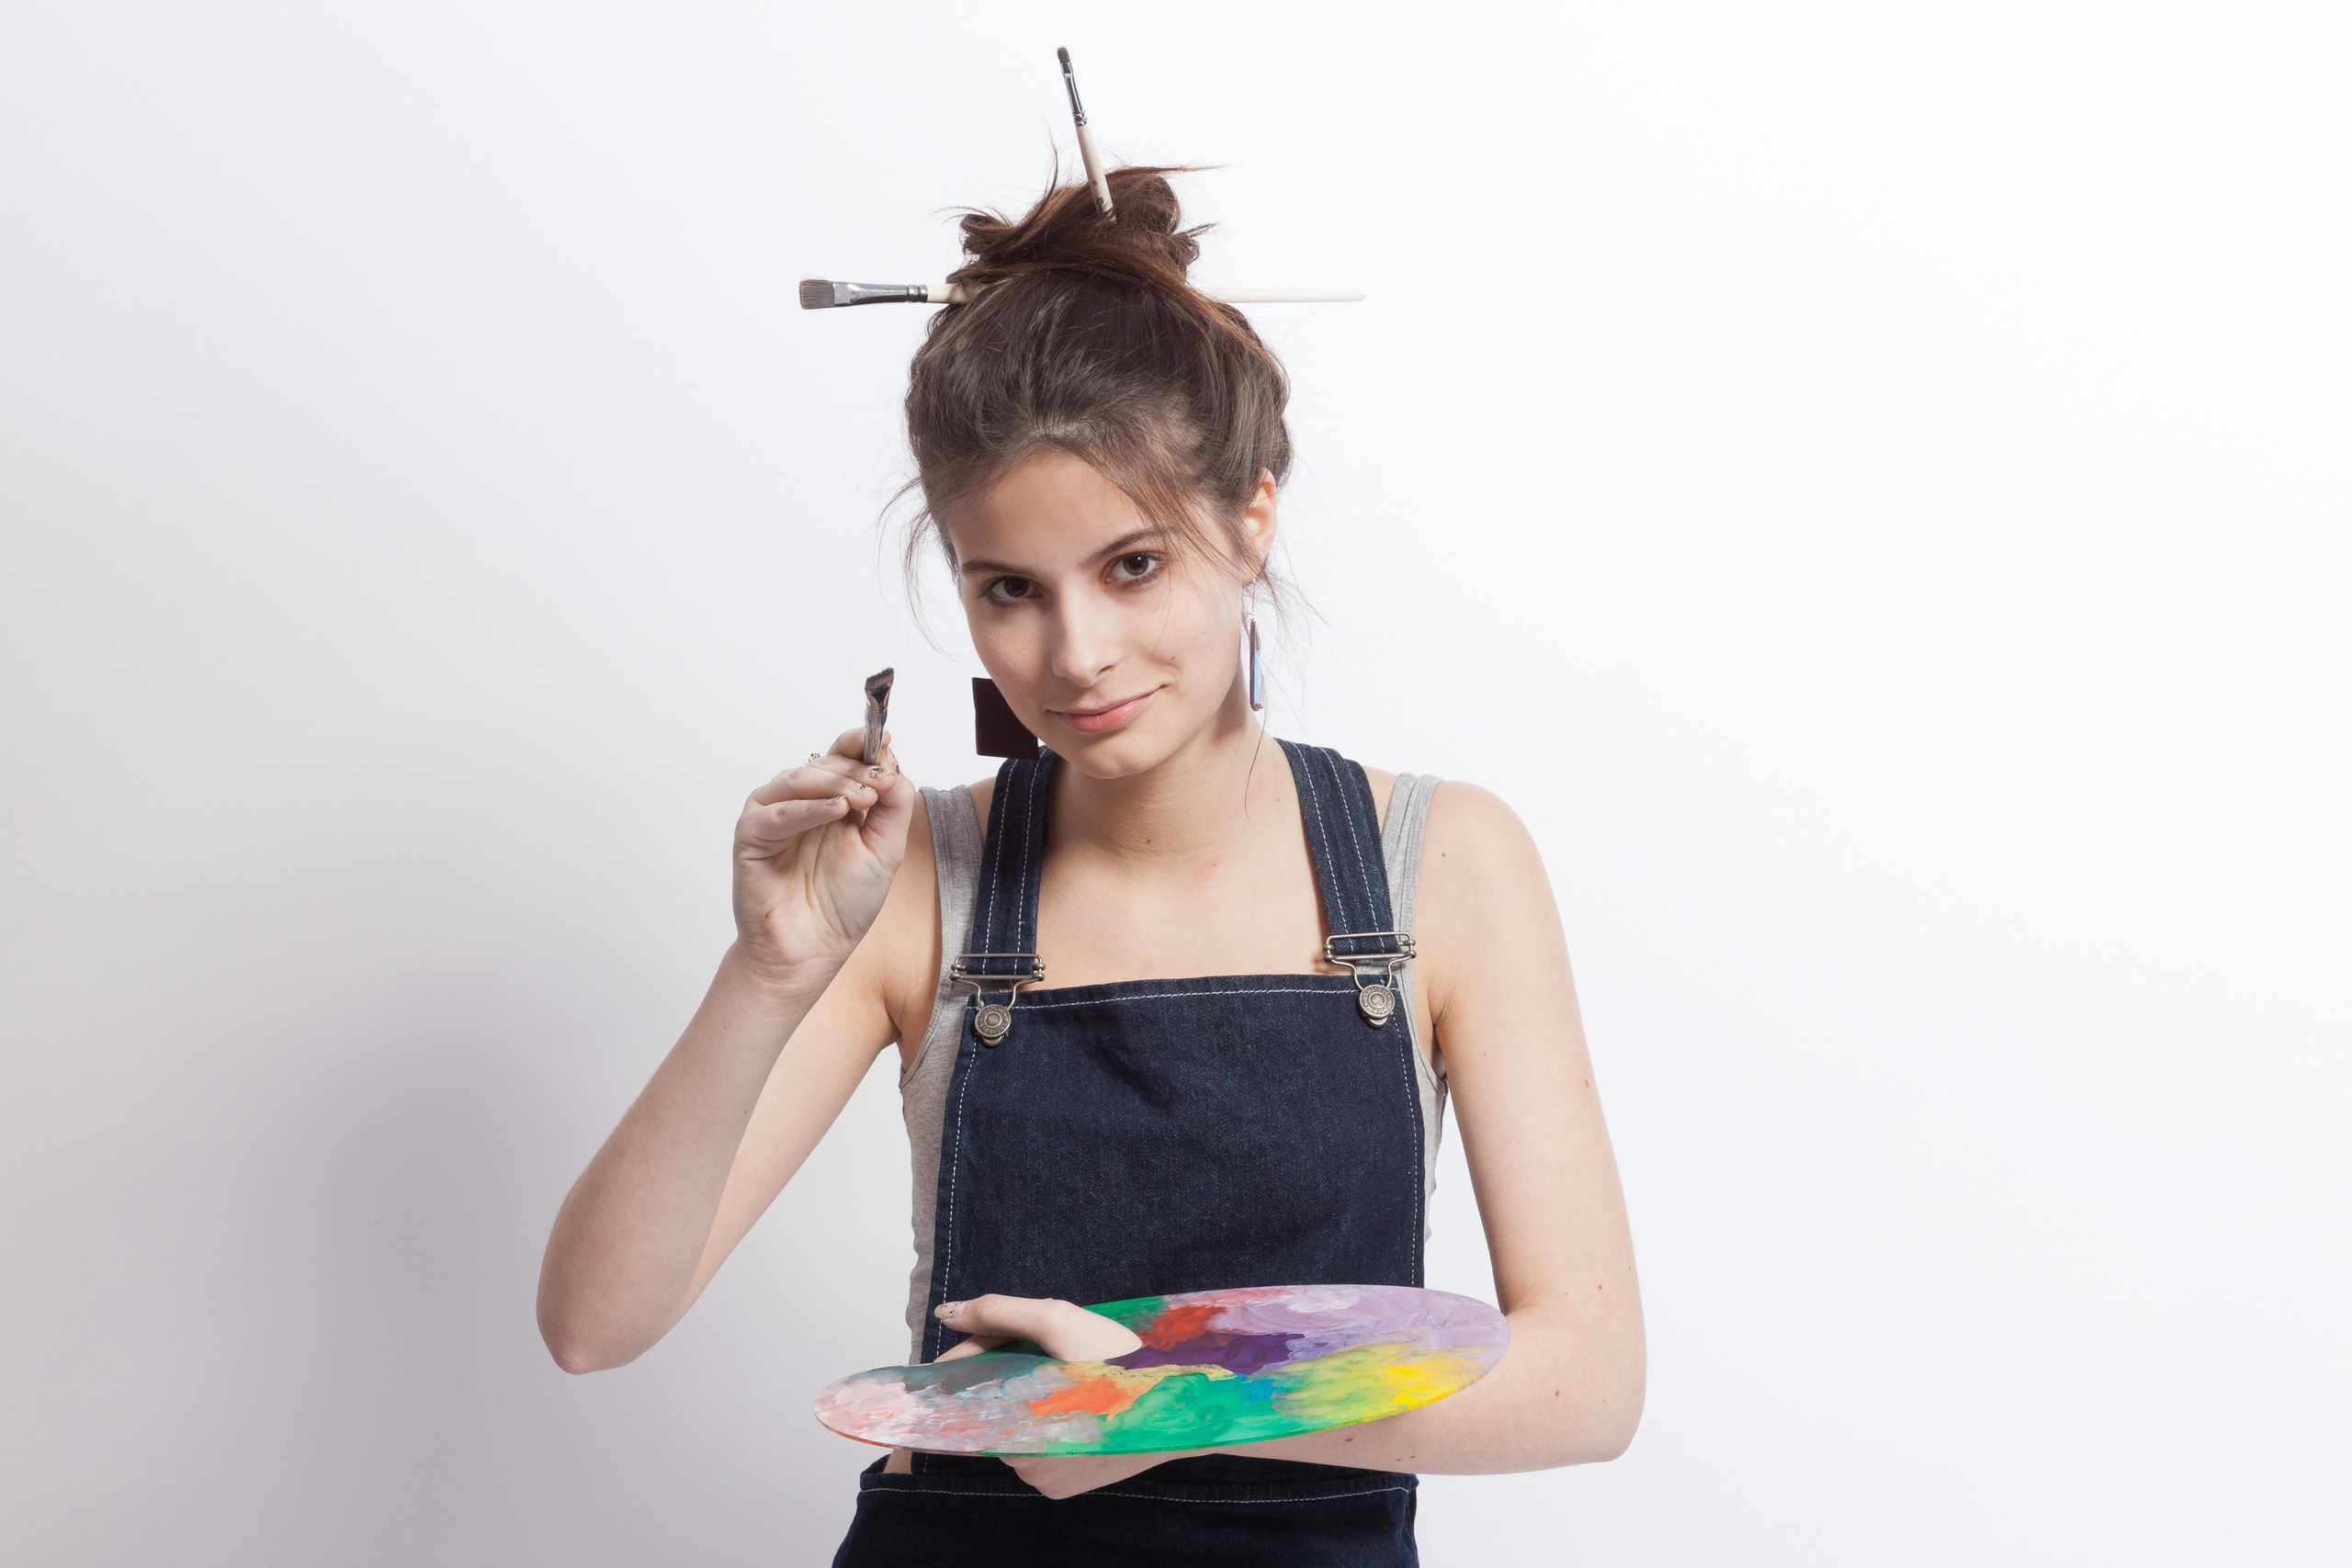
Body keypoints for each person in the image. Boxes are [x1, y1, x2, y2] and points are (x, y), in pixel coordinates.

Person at [537, 165, 1644, 1566]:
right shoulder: (923, 880)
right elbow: (593, 1323)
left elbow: (1586, 1383)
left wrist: (1148, 1415)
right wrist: (771, 972)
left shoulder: (1440, 862)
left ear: (1250, 518)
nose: (1074, 656)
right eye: (1009, 587)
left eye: (1131, 566)